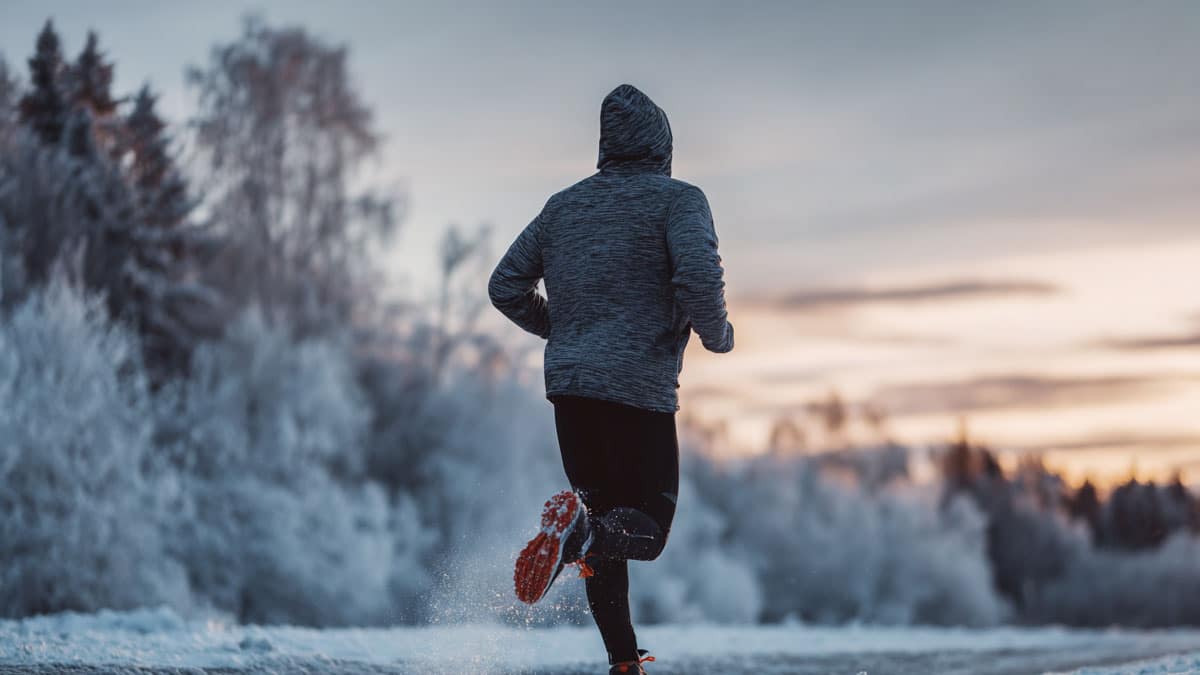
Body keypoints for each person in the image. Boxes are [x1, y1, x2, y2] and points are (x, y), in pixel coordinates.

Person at [488, 83, 734, 675]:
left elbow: (505, 287)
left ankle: (625, 662)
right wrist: (716, 334)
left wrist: (565, 331)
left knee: (605, 528)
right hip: (637, 391)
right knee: (646, 529)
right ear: (661, 146)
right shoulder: (678, 200)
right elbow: (699, 278)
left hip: (571, 392)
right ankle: (576, 537)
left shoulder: (562, 207)